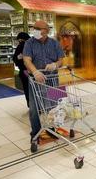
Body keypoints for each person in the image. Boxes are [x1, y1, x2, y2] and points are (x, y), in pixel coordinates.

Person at [23, 20, 65, 152]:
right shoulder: (29, 43)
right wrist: (35, 71)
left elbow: (61, 59)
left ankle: (52, 129)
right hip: (36, 80)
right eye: (34, 27)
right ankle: (35, 133)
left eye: (38, 28)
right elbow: (26, 60)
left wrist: (55, 65)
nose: (34, 30)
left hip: (52, 78)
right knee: (35, 108)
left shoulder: (54, 43)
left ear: (46, 30)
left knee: (52, 106)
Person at [12, 32, 30, 107]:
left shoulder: (21, 45)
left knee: (27, 88)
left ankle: (30, 104)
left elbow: (15, 58)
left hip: (24, 71)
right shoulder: (31, 44)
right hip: (33, 70)